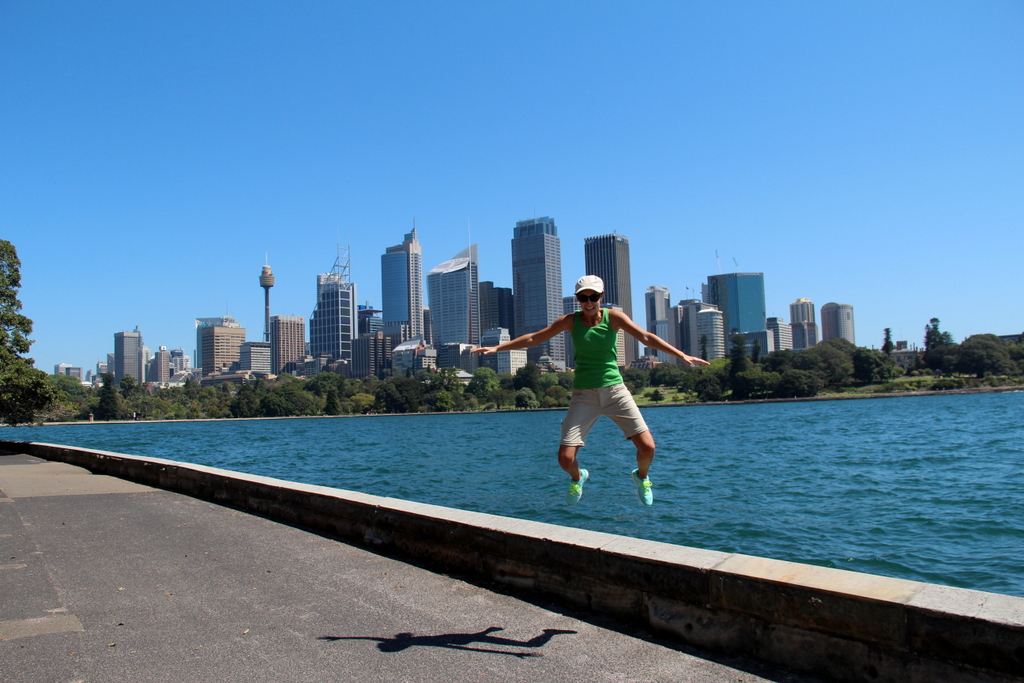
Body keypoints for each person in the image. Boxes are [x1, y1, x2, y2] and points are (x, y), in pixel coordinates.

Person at [472, 275, 710, 506]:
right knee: (565, 459)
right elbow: (534, 338)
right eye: (582, 298)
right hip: (584, 395)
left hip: (615, 391)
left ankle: (642, 477)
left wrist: (682, 355)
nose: (588, 302)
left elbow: (646, 337)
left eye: (593, 297)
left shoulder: (614, 317)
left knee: (648, 447)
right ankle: (578, 478)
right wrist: (497, 348)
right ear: (577, 299)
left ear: (601, 297)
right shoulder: (570, 321)